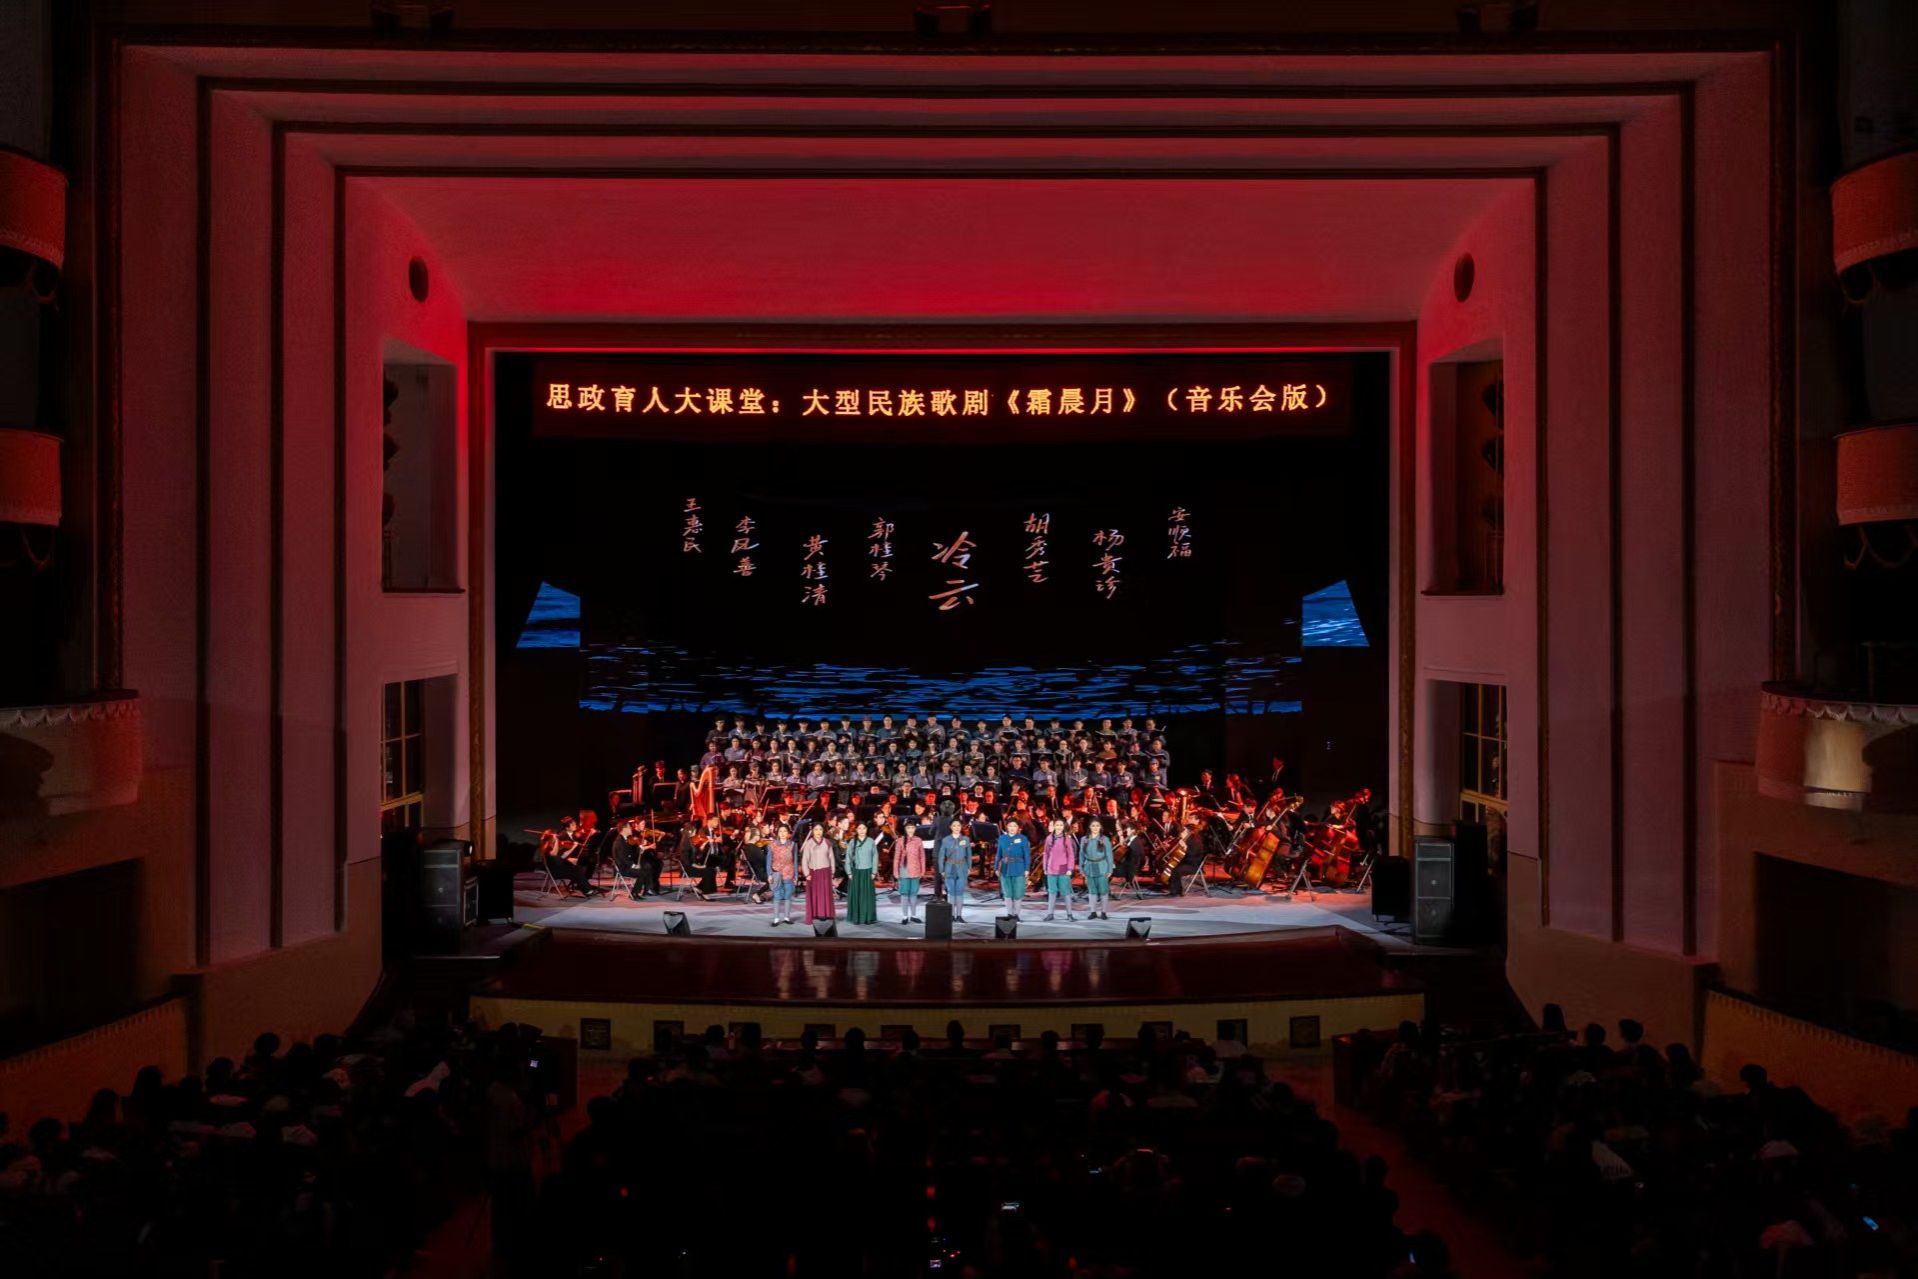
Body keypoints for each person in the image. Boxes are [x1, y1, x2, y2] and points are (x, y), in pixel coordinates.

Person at [1040, 817, 1078, 922]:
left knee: (1066, 892)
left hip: (1064, 869)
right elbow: (1046, 853)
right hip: (1051, 869)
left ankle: (1069, 914)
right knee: (1052, 892)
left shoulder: (1067, 839)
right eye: (1057, 825)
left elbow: (1071, 855)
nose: (1059, 827)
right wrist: (1045, 867)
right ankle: (1050, 914)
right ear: (1054, 826)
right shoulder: (1049, 838)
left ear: (1064, 826)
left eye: (1061, 825)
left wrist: (1070, 868)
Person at [800, 822, 836, 925]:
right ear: (812, 831)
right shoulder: (809, 843)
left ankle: (825, 913)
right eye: (816, 829)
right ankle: (816, 913)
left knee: (825, 894)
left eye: (820, 829)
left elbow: (831, 857)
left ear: (823, 831)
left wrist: (832, 871)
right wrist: (807, 873)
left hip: (825, 872)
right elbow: (805, 860)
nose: (818, 832)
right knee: (815, 894)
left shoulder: (827, 842)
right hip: (813, 873)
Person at [995, 818, 1031, 919]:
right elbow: (998, 854)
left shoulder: (1023, 838)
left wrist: (1027, 869)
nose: (1012, 828)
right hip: (1005, 868)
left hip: (1019, 867)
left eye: (1014, 826)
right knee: (1007, 892)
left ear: (1018, 828)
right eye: (1010, 826)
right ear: (1007, 827)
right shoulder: (1002, 838)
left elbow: (1027, 855)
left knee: (1018, 892)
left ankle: (1016, 914)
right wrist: (996, 867)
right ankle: (1010, 913)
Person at [843, 821, 879, 925]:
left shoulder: (871, 841)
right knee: (856, 895)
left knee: (867, 896)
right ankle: (856, 917)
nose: (862, 830)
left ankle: (868, 917)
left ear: (867, 830)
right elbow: (848, 858)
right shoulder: (852, 842)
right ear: (856, 830)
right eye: (859, 828)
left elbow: (875, 857)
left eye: (864, 828)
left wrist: (874, 872)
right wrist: (849, 872)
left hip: (867, 872)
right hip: (856, 872)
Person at [892, 818, 926, 923]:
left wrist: (923, 870)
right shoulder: (900, 841)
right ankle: (905, 916)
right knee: (904, 893)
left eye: (912, 827)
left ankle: (914, 915)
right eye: (908, 828)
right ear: (905, 829)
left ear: (915, 829)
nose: (910, 830)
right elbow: (896, 857)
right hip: (904, 870)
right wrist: (895, 871)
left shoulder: (918, 840)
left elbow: (922, 856)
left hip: (916, 870)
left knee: (913, 893)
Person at [1080, 817, 1115, 919]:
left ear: (1100, 827)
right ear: (1089, 827)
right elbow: (1081, 855)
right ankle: (1093, 912)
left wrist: (1109, 869)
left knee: (1103, 890)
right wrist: (1081, 869)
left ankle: (1103, 912)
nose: (1095, 828)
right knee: (1092, 890)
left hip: (1102, 867)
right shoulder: (1084, 840)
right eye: (1093, 826)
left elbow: (1109, 856)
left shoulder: (1105, 840)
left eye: (1097, 826)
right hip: (1089, 867)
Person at [937, 818, 972, 921]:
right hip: (949, 867)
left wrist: (969, 867)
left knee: (960, 892)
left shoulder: (965, 839)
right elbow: (941, 856)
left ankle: (959, 915)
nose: (956, 828)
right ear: (950, 827)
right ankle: (951, 915)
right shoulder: (946, 840)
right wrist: (941, 869)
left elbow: (969, 855)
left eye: (958, 825)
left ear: (961, 827)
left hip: (962, 867)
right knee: (951, 892)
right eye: (954, 825)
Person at [766, 822, 798, 926]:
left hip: (789, 873)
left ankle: (787, 918)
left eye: (785, 831)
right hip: (777, 874)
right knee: (777, 896)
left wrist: (796, 876)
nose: (783, 833)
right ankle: (776, 919)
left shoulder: (793, 845)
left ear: (788, 833)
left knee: (788, 896)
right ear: (778, 833)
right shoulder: (772, 845)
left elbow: (795, 861)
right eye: (780, 831)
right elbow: (769, 860)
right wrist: (769, 874)